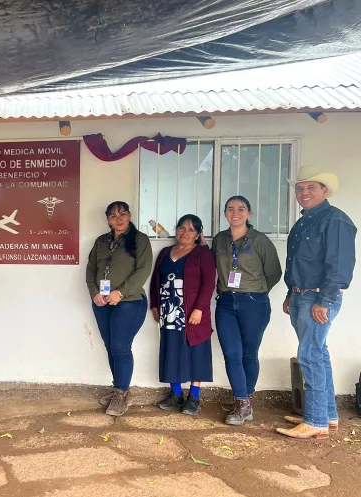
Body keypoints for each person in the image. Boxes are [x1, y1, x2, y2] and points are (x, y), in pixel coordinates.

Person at [276, 166, 356, 439]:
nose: (304, 192)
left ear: (324, 191)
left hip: (319, 297)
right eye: (300, 188)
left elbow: (340, 265)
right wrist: (290, 293)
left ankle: (315, 421)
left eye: (311, 187)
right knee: (318, 354)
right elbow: (298, 263)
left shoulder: (335, 220)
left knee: (309, 355)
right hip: (301, 295)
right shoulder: (304, 222)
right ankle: (328, 415)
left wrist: (325, 300)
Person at [212, 196, 282, 425]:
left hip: (254, 303)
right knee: (231, 353)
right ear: (225, 214)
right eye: (230, 209)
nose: (235, 213)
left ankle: (246, 401)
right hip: (225, 302)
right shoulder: (220, 240)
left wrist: (256, 292)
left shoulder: (259, 240)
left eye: (241, 209)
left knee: (248, 354)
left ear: (249, 213)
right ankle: (242, 402)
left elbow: (274, 272)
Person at [86, 201, 152, 417]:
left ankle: (122, 394)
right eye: (113, 216)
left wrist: (120, 292)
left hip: (130, 301)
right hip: (102, 303)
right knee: (111, 346)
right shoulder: (101, 242)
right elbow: (91, 269)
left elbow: (143, 270)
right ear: (108, 220)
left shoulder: (140, 240)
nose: (119, 219)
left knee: (121, 347)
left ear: (129, 215)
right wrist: (95, 292)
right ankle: (118, 389)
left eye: (122, 214)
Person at [150, 215, 216, 416]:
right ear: (176, 230)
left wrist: (200, 309)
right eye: (182, 228)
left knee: (196, 351)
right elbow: (155, 280)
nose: (185, 232)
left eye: (191, 229)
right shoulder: (165, 252)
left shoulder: (203, 254)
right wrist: (154, 304)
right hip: (169, 311)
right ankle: (175, 394)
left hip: (192, 312)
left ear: (198, 234)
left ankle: (194, 396)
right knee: (172, 350)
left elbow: (209, 283)